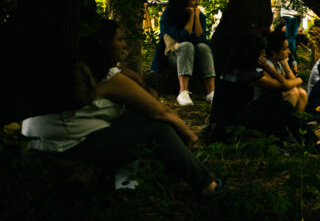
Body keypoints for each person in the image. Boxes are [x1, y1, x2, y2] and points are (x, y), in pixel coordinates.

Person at [22, 19, 222, 196]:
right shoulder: (107, 78)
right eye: (119, 39)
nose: (124, 44)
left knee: (138, 119)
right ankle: (206, 184)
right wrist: (190, 134)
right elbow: (162, 111)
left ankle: (147, 178)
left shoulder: (77, 67)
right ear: (104, 45)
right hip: (63, 148)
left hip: (43, 142)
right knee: (160, 129)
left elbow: (145, 102)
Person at [208, 34, 320, 154]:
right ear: (252, 54)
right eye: (261, 52)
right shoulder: (248, 74)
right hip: (226, 129)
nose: (264, 55)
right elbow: (284, 85)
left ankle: (313, 143)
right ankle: (279, 141)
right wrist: (267, 66)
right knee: (275, 98)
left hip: (236, 121)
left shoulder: (239, 69)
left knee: (283, 104)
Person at [151, 0, 215, 106]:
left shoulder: (199, 15)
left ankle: (211, 92)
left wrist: (196, 16)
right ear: (183, 0)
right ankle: (183, 92)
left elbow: (201, 39)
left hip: (193, 58)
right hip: (173, 57)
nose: (197, 2)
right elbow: (180, 38)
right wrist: (191, 18)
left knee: (204, 47)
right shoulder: (168, 15)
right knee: (186, 45)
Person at [257, 29, 307, 113]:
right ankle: (285, 124)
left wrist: (285, 64)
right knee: (293, 92)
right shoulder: (266, 64)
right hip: (262, 105)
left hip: (275, 99)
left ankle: (299, 122)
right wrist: (299, 80)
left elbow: (294, 83)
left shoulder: (279, 63)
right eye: (285, 49)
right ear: (274, 52)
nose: (289, 51)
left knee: (301, 92)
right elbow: (285, 85)